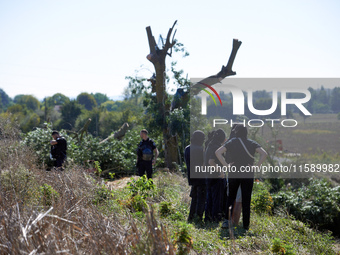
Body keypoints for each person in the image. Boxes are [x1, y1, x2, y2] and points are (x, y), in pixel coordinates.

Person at [215, 125, 267, 230]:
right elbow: (264, 154)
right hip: (248, 174)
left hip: (234, 173)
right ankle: (246, 225)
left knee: (231, 198)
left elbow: (218, 152)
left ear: (236, 132)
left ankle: (226, 221)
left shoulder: (231, 142)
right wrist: (256, 167)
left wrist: (226, 166)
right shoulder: (252, 143)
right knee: (246, 199)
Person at [204, 128, 227, 222]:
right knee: (217, 198)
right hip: (216, 176)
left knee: (209, 197)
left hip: (208, 175)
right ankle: (215, 218)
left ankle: (208, 218)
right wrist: (220, 171)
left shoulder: (210, 145)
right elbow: (211, 161)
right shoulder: (216, 147)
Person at [184, 130, 206, 222]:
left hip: (192, 176)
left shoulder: (187, 148)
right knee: (201, 198)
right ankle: (199, 217)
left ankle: (191, 216)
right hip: (201, 177)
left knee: (194, 197)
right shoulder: (201, 149)